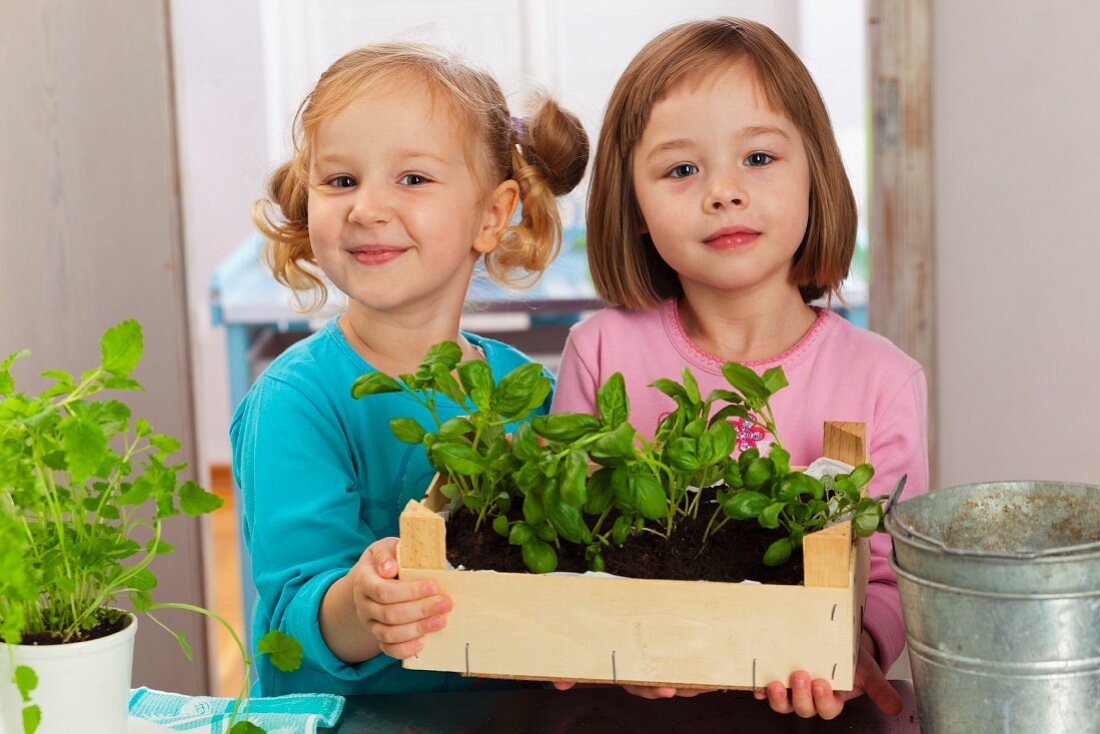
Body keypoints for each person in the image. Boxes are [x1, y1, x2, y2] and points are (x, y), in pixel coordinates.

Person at [551, 17, 927, 719]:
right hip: (630, 710)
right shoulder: (599, 351)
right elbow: (571, 544)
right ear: (632, 208)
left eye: (758, 158)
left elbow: (885, 579)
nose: (722, 191)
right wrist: (613, 650)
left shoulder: (883, 379)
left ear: (815, 171)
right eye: (681, 169)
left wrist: (855, 648)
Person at [233, 41, 589, 695]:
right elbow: (293, 620)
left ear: (491, 214)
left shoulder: (528, 393)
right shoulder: (295, 402)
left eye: (413, 179)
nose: (366, 208)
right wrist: (363, 608)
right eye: (341, 181)